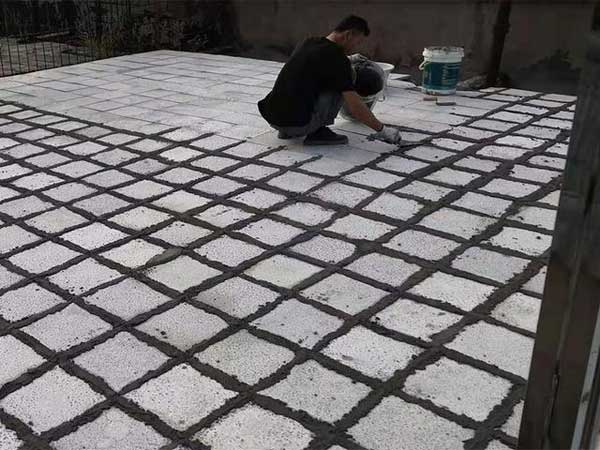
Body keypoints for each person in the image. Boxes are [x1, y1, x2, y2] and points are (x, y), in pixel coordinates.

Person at [257, 15, 402, 146]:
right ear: (348, 34)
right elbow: (355, 108)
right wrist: (383, 130)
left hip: (273, 117)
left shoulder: (309, 42)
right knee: (345, 80)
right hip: (297, 125)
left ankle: (287, 131)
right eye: (357, 42)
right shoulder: (338, 60)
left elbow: (320, 61)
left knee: (304, 81)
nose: (355, 47)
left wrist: (350, 59)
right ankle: (317, 132)